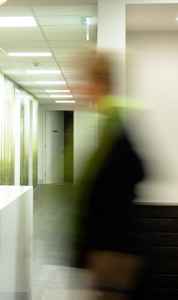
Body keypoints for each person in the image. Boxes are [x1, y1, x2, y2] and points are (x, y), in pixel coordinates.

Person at [72, 51, 147, 300]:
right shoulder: (108, 126)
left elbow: (136, 173)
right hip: (109, 249)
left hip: (114, 251)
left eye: (87, 79)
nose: (80, 87)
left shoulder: (114, 126)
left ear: (102, 82)